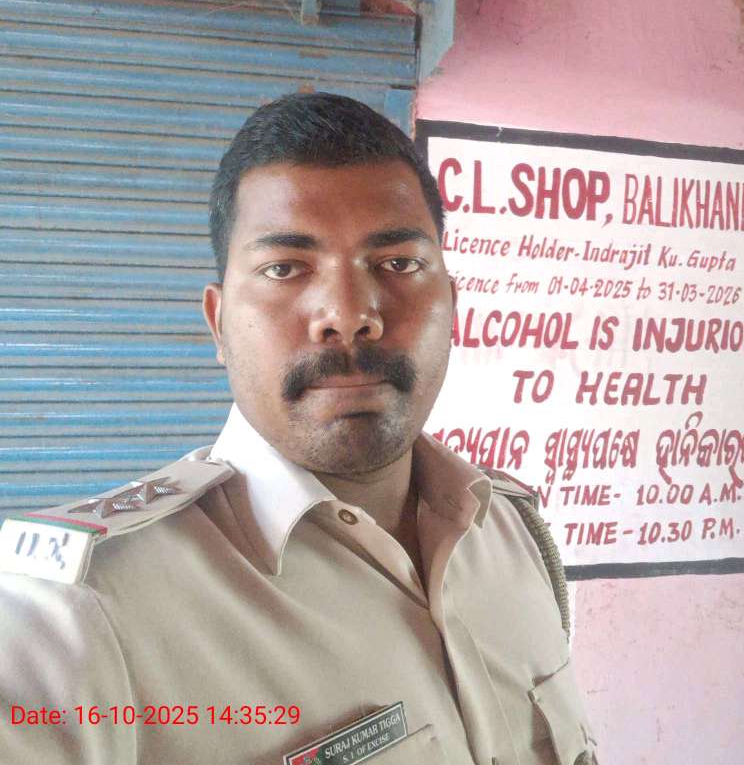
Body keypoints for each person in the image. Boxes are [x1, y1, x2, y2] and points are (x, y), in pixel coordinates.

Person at [0, 93, 597, 765]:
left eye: (398, 263)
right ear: (218, 324)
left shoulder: (513, 532)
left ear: (452, 304)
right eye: (285, 269)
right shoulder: (79, 617)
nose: (348, 315)